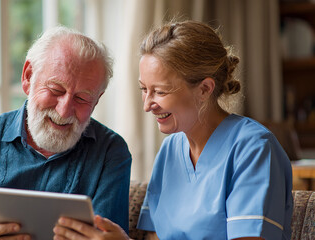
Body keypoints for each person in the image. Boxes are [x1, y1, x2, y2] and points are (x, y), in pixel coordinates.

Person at [53, 20, 293, 240]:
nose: (147, 105)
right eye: (143, 89)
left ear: (204, 89)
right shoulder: (170, 151)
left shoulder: (254, 150)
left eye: (160, 91)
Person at [0, 26, 132, 240]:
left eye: (82, 99)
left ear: (97, 100)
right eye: (56, 90)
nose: (64, 110)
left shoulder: (110, 152)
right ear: (28, 77)